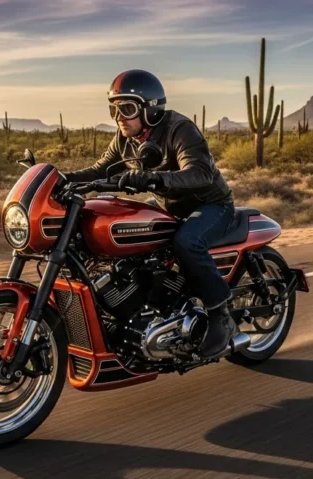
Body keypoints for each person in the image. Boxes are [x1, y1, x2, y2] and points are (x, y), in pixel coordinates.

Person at [59, 69, 238, 359]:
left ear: (150, 108)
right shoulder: (125, 137)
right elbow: (101, 169)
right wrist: (60, 178)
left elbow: (200, 173)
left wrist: (153, 178)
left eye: (127, 109)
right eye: (114, 109)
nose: (119, 117)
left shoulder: (180, 129)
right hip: (169, 207)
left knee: (187, 242)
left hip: (210, 205)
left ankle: (221, 315)